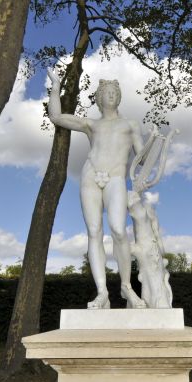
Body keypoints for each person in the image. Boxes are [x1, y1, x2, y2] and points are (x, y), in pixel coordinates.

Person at [47, 70, 146, 309]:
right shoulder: (90, 124)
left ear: (118, 97)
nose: (110, 95)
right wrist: (56, 86)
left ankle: (126, 286)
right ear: (99, 98)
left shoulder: (130, 124)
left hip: (115, 177)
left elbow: (142, 159)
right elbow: (57, 117)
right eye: (106, 93)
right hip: (91, 175)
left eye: (114, 92)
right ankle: (102, 292)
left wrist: (153, 146)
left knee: (118, 230)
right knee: (94, 231)